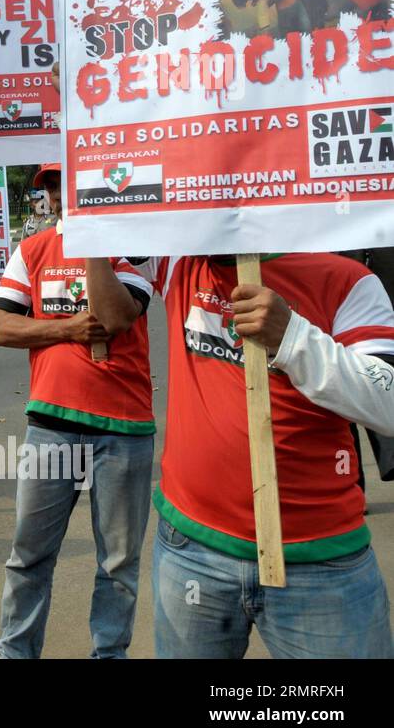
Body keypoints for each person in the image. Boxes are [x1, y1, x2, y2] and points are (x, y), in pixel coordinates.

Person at [89, 250, 394, 658]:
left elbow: (387, 404)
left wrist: (293, 338)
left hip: (319, 561)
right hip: (189, 548)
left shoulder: (347, 280)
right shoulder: (180, 259)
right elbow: (121, 230)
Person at [0, 163, 156, 659]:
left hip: (124, 429)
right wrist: (64, 330)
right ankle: (14, 653)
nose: (61, 194)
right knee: (29, 557)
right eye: (53, 186)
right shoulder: (31, 250)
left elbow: (118, 316)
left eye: (70, 182)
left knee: (118, 564)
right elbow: (0, 327)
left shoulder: (135, 245)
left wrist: (91, 240)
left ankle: (109, 653)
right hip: (51, 427)